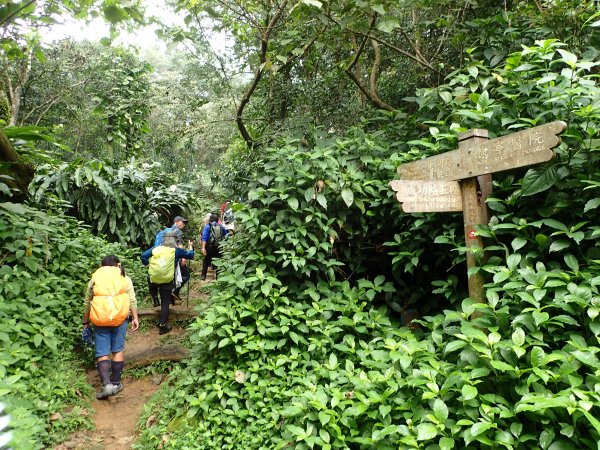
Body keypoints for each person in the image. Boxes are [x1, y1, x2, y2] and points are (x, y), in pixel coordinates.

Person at [82, 255, 139, 400]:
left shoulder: (96, 278)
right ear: (117, 265)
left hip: (100, 319)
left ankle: (106, 385)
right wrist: (135, 318)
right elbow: (132, 299)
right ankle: (116, 383)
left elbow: (87, 302)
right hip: (120, 318)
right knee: (117, 350)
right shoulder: (124, 278)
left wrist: (85, 322)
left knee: (102, 352)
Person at [141, 238, 194, 334]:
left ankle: (155, 298)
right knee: (165, 302)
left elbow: (143, 256)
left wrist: (147, 265)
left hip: (154, 278)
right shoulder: (176, 251)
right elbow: (190, 255)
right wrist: (190, 246)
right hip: (167, 280)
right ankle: (163, 326)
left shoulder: (156, 248)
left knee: (150, 278)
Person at [201, 213, 228, 281]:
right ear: (217, 220)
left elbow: (204, 237)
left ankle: (203, 276)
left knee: (206, 260)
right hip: (219, 247)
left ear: (210, 220)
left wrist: (203, 248)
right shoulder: (221, 226)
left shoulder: (207, 226)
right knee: (218, 261)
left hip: (209, 247)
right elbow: (226, 236)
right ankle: (218, 278)